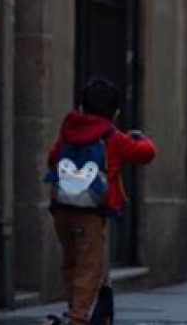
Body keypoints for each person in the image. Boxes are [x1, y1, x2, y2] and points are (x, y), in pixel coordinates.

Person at [43, 78, 157, 325]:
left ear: (82, 108)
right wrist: (142, 138)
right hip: (91, 213)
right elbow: (146, 154)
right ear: (115, 113)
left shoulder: (68, 132)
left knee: (71, 261)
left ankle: (74, 308)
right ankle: (78, 318)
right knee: (89, 267)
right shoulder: (113, 138)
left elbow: (52, 159)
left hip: (61, 209)